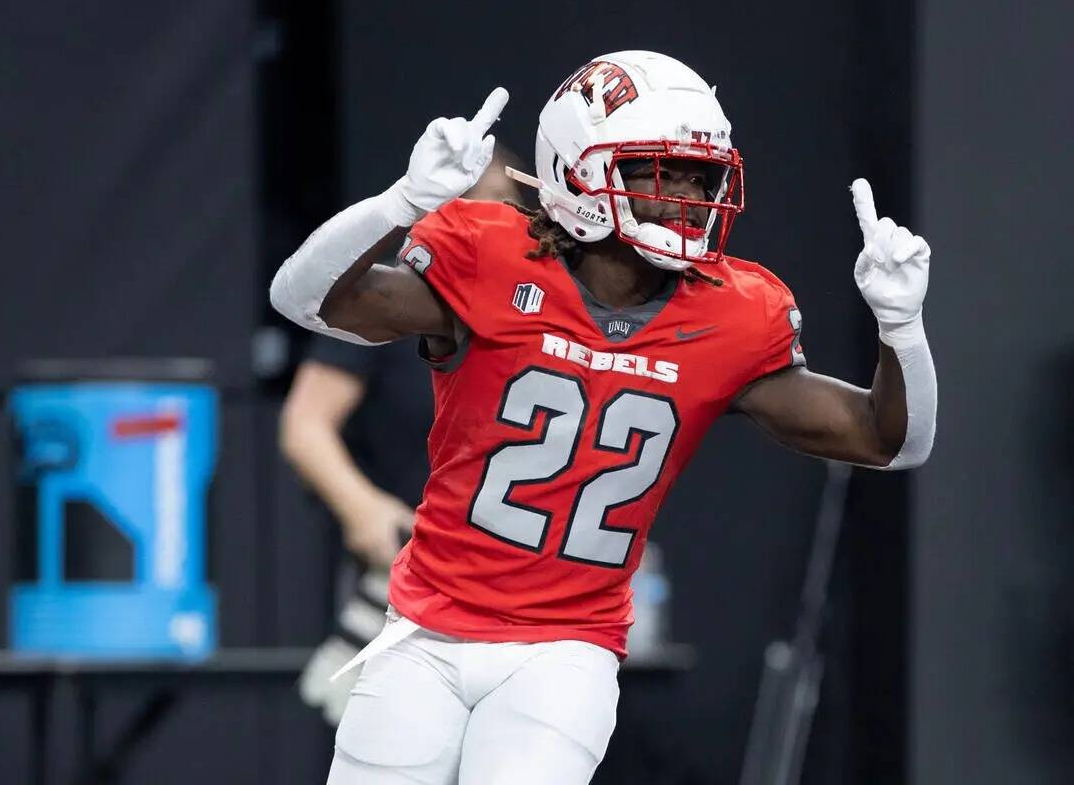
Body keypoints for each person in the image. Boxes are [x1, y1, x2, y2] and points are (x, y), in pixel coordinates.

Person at [269, 51, 936, 785]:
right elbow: (305, 299)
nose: (689, 193)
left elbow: (890, 440)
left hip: (566, 648)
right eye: (660, 170)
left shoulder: (732, 314)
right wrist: (401, 202)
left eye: (699, 173)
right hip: (424, 628)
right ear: (578, 172)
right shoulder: (491, 259)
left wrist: (902, 328)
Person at [281, 151, 523, 724]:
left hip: (509, 576)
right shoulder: (397, 297)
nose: (483, 220)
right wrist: (362, 508)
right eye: (465, 205)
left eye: (502, 208)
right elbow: (304, 424)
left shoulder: (540, 313)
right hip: (402, 566)